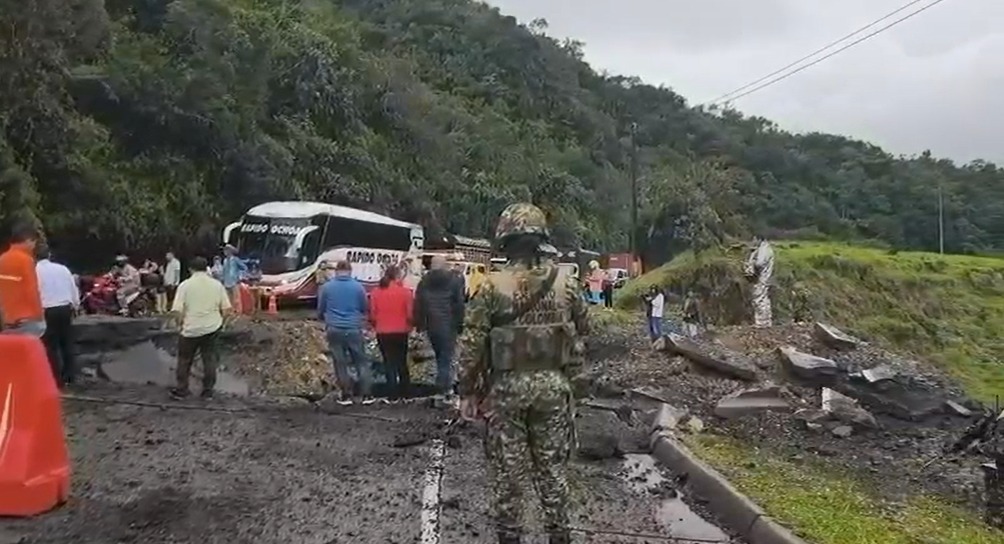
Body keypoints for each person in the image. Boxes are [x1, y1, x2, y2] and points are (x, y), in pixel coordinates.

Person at [458, 203, 589, 544]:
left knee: (508, 476)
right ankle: (560, 537)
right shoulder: (566, 282)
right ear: (541, 238)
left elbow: (472, 344)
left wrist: (467, 392)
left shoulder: (490, 286)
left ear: (505, 239)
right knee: (553, 472)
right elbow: (583, 326)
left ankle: (511, 538)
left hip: (506, 391)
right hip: (553, 388)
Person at [170, 256, 232, 399]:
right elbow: (227, 309)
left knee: (184, 360)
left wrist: (180, 325)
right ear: (206, 268)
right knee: (209, 360)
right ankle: (208, 391)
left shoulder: (185, 285)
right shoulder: (217, 285)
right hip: (212, 328)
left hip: (190, 329)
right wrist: (221, 323)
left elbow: (177, 311)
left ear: (190, 269)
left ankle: (182, 390)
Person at [318, 260, 373, 405]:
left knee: (340, 363)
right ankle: (366, 395)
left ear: (336, 271)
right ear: (350, 271)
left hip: (334, 329)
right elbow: (364, 307)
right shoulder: (358, 287)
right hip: (354, 328)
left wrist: (324, 318)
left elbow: (320, 308)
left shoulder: (327, 287)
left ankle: (346, 395)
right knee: (360, 361)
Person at [414, 254, 466, 400]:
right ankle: (444, 389)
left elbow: (419, 303)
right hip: (448, 324)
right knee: (446, 358)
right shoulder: (453, 280)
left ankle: (442, 386)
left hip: (431, 325)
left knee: (439, 356)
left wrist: (419, 324)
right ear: (444, 265)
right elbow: (459, 304)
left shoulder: (424, 281)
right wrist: (460, 324)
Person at [36, 245, 80, 386]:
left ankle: (55, 378)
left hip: (47, 309)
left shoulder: (34, 271)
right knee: (66, 343)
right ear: (49, 255)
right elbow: (73, 288)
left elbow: (35, 292)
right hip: (65, 308)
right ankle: (70, 376)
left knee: (50, 345)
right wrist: (76, 305)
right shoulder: (63, 269)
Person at [369, 265, 414, 401]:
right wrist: (411, 327)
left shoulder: (376, 292)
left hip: (383, 331)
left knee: (389, 363)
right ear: (398, 276)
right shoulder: (406, 292)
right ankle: (406, 393)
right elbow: (410, 315)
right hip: (401, 331)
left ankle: (392, 395)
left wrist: (376, 325)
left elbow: (372, 315)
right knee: (402, 361)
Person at [0, 222, 45, 336]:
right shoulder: (25, 260)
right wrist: (39, 315)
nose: (34, 246)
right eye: (34, 242)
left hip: (7, 319)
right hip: (27, 318)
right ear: (28, 240)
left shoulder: (2, 259)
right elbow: (31, 290)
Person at [744, 236, 775, 328]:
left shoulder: (763, 249)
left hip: (762, 277)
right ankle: (764, 321)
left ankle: (762, 322)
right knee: (761, 298)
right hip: (761, 277)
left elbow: (759, 263)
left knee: (759, 298)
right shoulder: (762, 248)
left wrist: (752, 264)